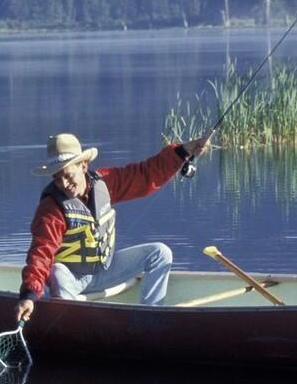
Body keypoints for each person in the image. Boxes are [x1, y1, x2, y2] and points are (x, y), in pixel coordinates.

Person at [15, 132, 210, 322]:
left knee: (160, 253)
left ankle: (149, 320)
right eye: (57, 178)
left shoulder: (104, 182)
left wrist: (183, 152)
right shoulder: (51, 207)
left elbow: (145, 174)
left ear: (83, 166)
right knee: (56, 271)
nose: (64, 184)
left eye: (68, 175)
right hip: (70, 280)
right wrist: (29, 294)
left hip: (105, 271)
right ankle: (72, 326)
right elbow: (41, 252)